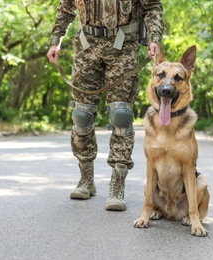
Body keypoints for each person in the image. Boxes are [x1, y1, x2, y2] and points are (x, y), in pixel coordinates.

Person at [47, 0, 163, 211]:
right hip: (86, 43)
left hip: (124, 44)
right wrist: (56, 40)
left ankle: (117, 185)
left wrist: (154, 38)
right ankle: (86, 179)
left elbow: (152, 6)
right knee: (82, 114)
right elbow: (66, 7)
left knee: (121, 114)